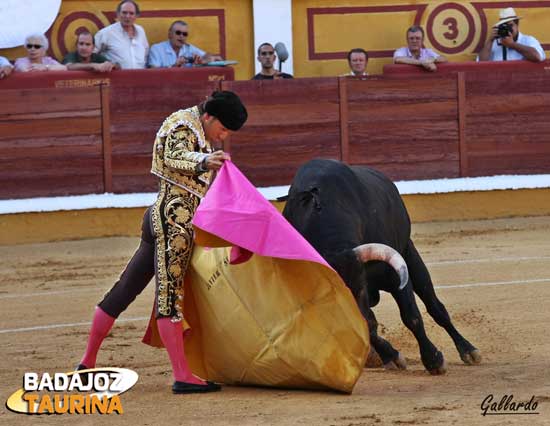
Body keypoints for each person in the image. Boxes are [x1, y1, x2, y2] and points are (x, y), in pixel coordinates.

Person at [76, 91, 248, 394]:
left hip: (164, 215)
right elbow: (174, 156)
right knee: (170, 296)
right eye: (222, 129)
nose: (222, 137)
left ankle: (87, 362)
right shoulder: (183, 125)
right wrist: (205, 160)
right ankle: (182, 375)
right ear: (209, 116)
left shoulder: (195, 127)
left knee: (126, 288)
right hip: (174, 221)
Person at [94, 0, 149, 69]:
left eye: (131, 13)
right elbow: (91, 55)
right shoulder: (106, 33)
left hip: (140, 78)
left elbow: (145, 55)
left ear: (136, 16)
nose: (127, 16)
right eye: (124, 13)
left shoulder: (141, 31)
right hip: (116, 78)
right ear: (118, 14)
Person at [477, 7, 545, 62]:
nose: (507, 29)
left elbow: (537, 56)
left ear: (517, 24)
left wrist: (512, 45)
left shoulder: (528, 40)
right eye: (504, 26)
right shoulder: (494, 43)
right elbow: (481, 62)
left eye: (509, 25)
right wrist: (490, 40)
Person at [148, 20, 222, 68]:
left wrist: (203, 60)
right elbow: (153, 71)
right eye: (178, 33)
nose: (181, 36)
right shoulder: (157, 49)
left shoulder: (189, 48)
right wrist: (174, 66)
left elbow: (206, 55)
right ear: (170, 34)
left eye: (185, 34)